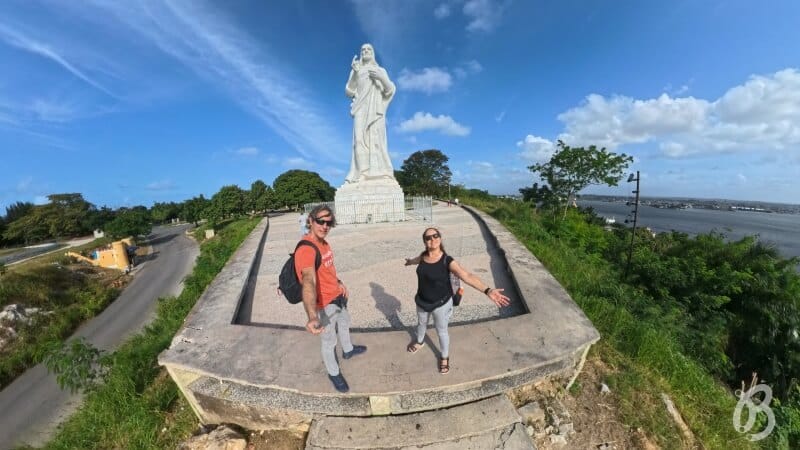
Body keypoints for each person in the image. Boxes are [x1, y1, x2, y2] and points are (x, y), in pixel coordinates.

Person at [404, 227, 510, 374]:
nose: (432, 239)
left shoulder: (447, 261)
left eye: (435, 235)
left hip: (441, 304)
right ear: (425, 242)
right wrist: (409, 262)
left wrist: (487, 290)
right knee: (421, 324)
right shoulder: (423, 257)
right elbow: (416, 260)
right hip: (422, 301)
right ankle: (420, 342)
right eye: (428, 237)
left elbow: (466, 275)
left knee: (441, 331)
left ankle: (444, 357)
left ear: (440, 238)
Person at [295, 205, 366, 392]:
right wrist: (312, 316)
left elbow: (327, 270)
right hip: (324, 304)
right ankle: (333, 373)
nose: (325, 226)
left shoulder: (324, 243)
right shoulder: (306, 249)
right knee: (329, 341)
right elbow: (308, 281)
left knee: (344, 322)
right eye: (321, 221)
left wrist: (339, 282)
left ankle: (348, 350)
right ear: (311, 221)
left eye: (329, 223)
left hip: (337, 296)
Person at [344, 43, 395, 183]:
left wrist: (382, 78)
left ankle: (379, 172)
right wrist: (355, 72)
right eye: (363, 49)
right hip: (360, 107)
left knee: (376, 138)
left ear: (373, 53)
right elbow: (349, 91)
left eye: (368, 49)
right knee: (358, 140)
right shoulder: (356, 70)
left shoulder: (380, 70)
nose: (365, 51)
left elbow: (390, 90)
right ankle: (362, 172)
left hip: (376, 109)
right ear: (361, 53)